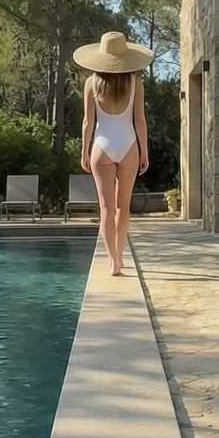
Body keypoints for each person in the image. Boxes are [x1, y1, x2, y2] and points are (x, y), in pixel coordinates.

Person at [73, 30, 153, 276]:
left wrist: (84, 152)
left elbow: (88, 122)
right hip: (129, 146)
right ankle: (120, 253)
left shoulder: (91, 83)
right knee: (123, 207)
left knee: (106, 209)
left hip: (101, 147)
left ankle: (113, 261)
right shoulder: (136, 83)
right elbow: (140, 120)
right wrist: (144, 152)